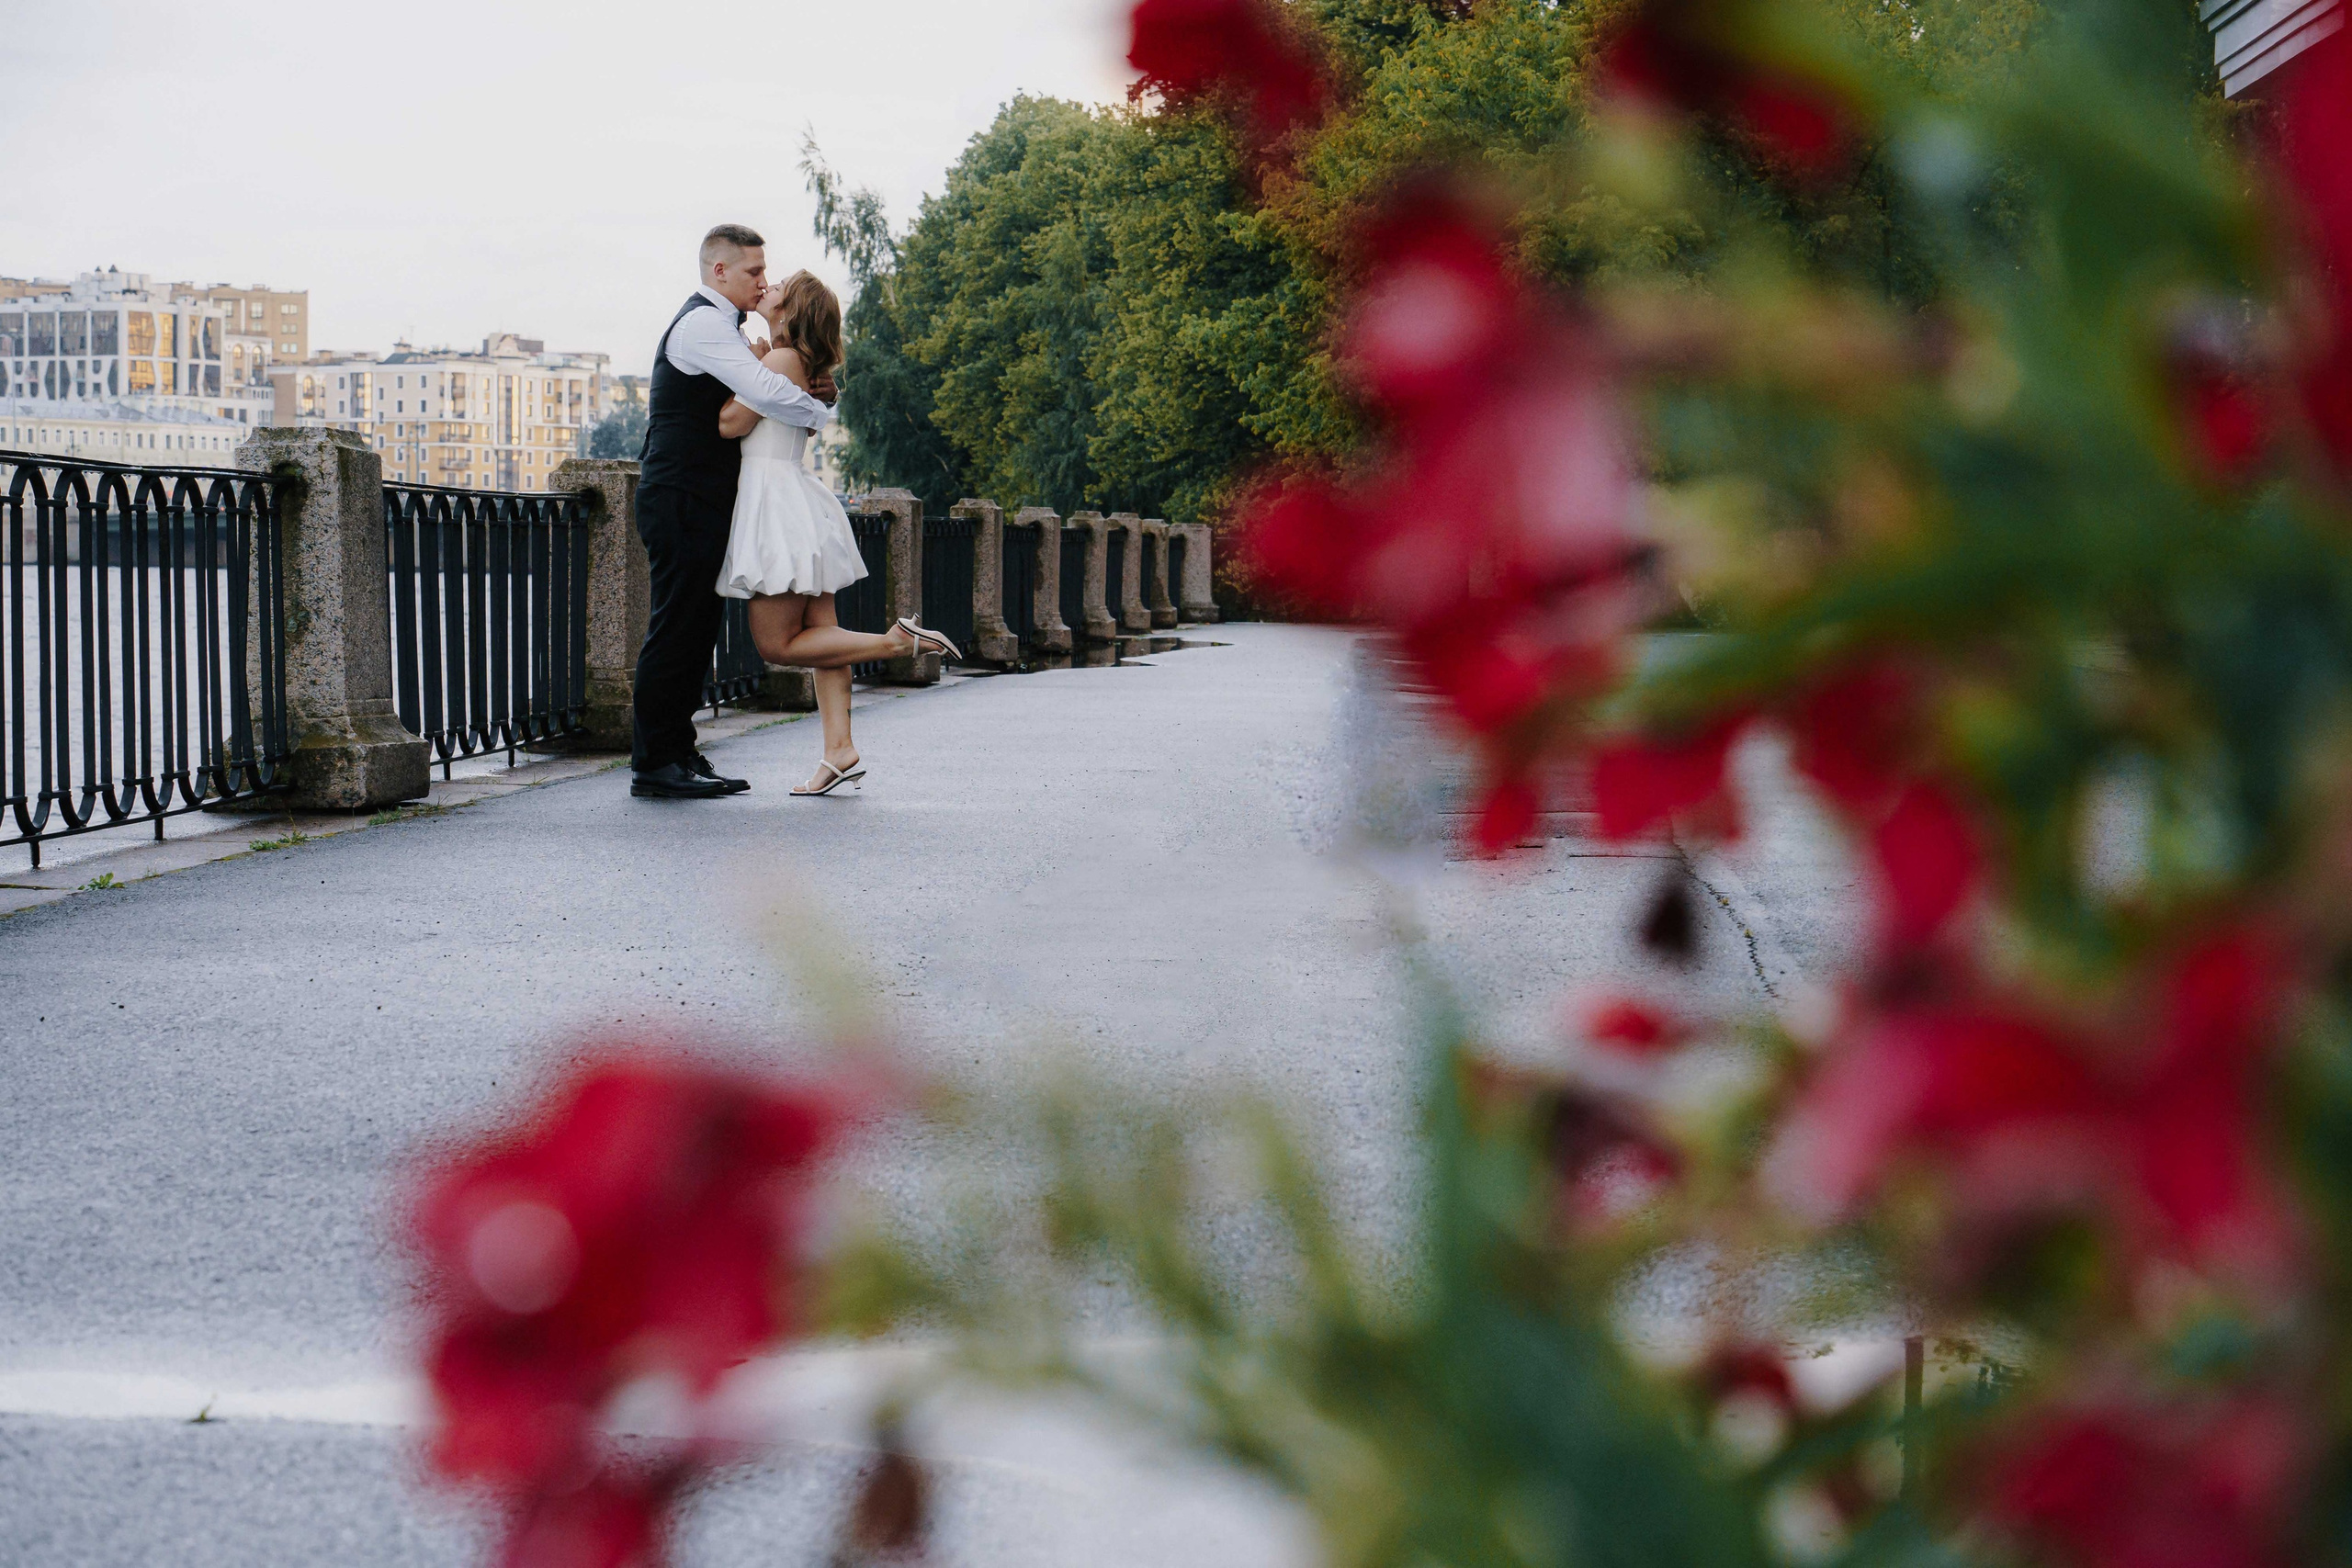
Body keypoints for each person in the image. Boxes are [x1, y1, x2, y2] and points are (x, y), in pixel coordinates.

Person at [627, 225, 887, 798]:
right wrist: (819, 407)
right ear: (719, 271)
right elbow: (752, 401)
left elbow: (758, 389)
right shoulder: (701, 325)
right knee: (677, 627)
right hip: (682, 496)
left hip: (724, 500)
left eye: (769, 274)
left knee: (695, 630)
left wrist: (800, 379)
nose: (763, 281)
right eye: (753, 272)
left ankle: (677, 752)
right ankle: (656, 762)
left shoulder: (744, 337)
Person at [714, 272, 957, 795]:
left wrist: (751, 366)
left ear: (791, 307)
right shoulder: (804, 365)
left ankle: (897, 642)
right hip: (799, 500)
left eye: (777, 283)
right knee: (826, 640)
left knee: (777, 645)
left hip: (776, 503)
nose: (768, 284)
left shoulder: (780, 361)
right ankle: (839, 750)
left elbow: (730, 424)